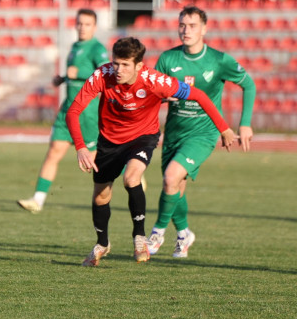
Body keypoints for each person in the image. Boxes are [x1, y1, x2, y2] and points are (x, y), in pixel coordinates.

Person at [68, 37, 236, 267]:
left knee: (132, 178)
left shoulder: (155, 80)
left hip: (142, 137)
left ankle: (139, 237)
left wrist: (224, 128)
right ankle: (102, 243)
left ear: (139, 65)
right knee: (101, 196)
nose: (118, 69)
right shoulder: (102, 74)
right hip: (109, 140)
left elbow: (200, 96)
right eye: (116, 63)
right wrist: (80, 147)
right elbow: (73, 111)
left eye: (125, 65)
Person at [146, 5, 256, 258]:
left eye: (193, 25)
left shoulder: (219, 60)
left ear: (204, 29)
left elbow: (248, 85)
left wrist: (245, 122)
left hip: (203, 133)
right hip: (174, 133)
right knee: (175, 187)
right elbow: (153, 93)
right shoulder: (167, 59)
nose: (186, 30)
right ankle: (184, 234)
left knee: (170, 178)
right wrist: (163, 99)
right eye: (182, 25)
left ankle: (157, 233)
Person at [18, 9, 108, 213]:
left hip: (88, 113)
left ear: (94, 27)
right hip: (68, 110)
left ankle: (131, 173)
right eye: (80, 23)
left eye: (87, 24)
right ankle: (37, 200)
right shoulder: (75, 46)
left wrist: (79, 73)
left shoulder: (97, 48)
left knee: (94, 162)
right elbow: (73, 74)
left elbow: (104, 73)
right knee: (54, 151)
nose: (82, 27)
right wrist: (63, 79)